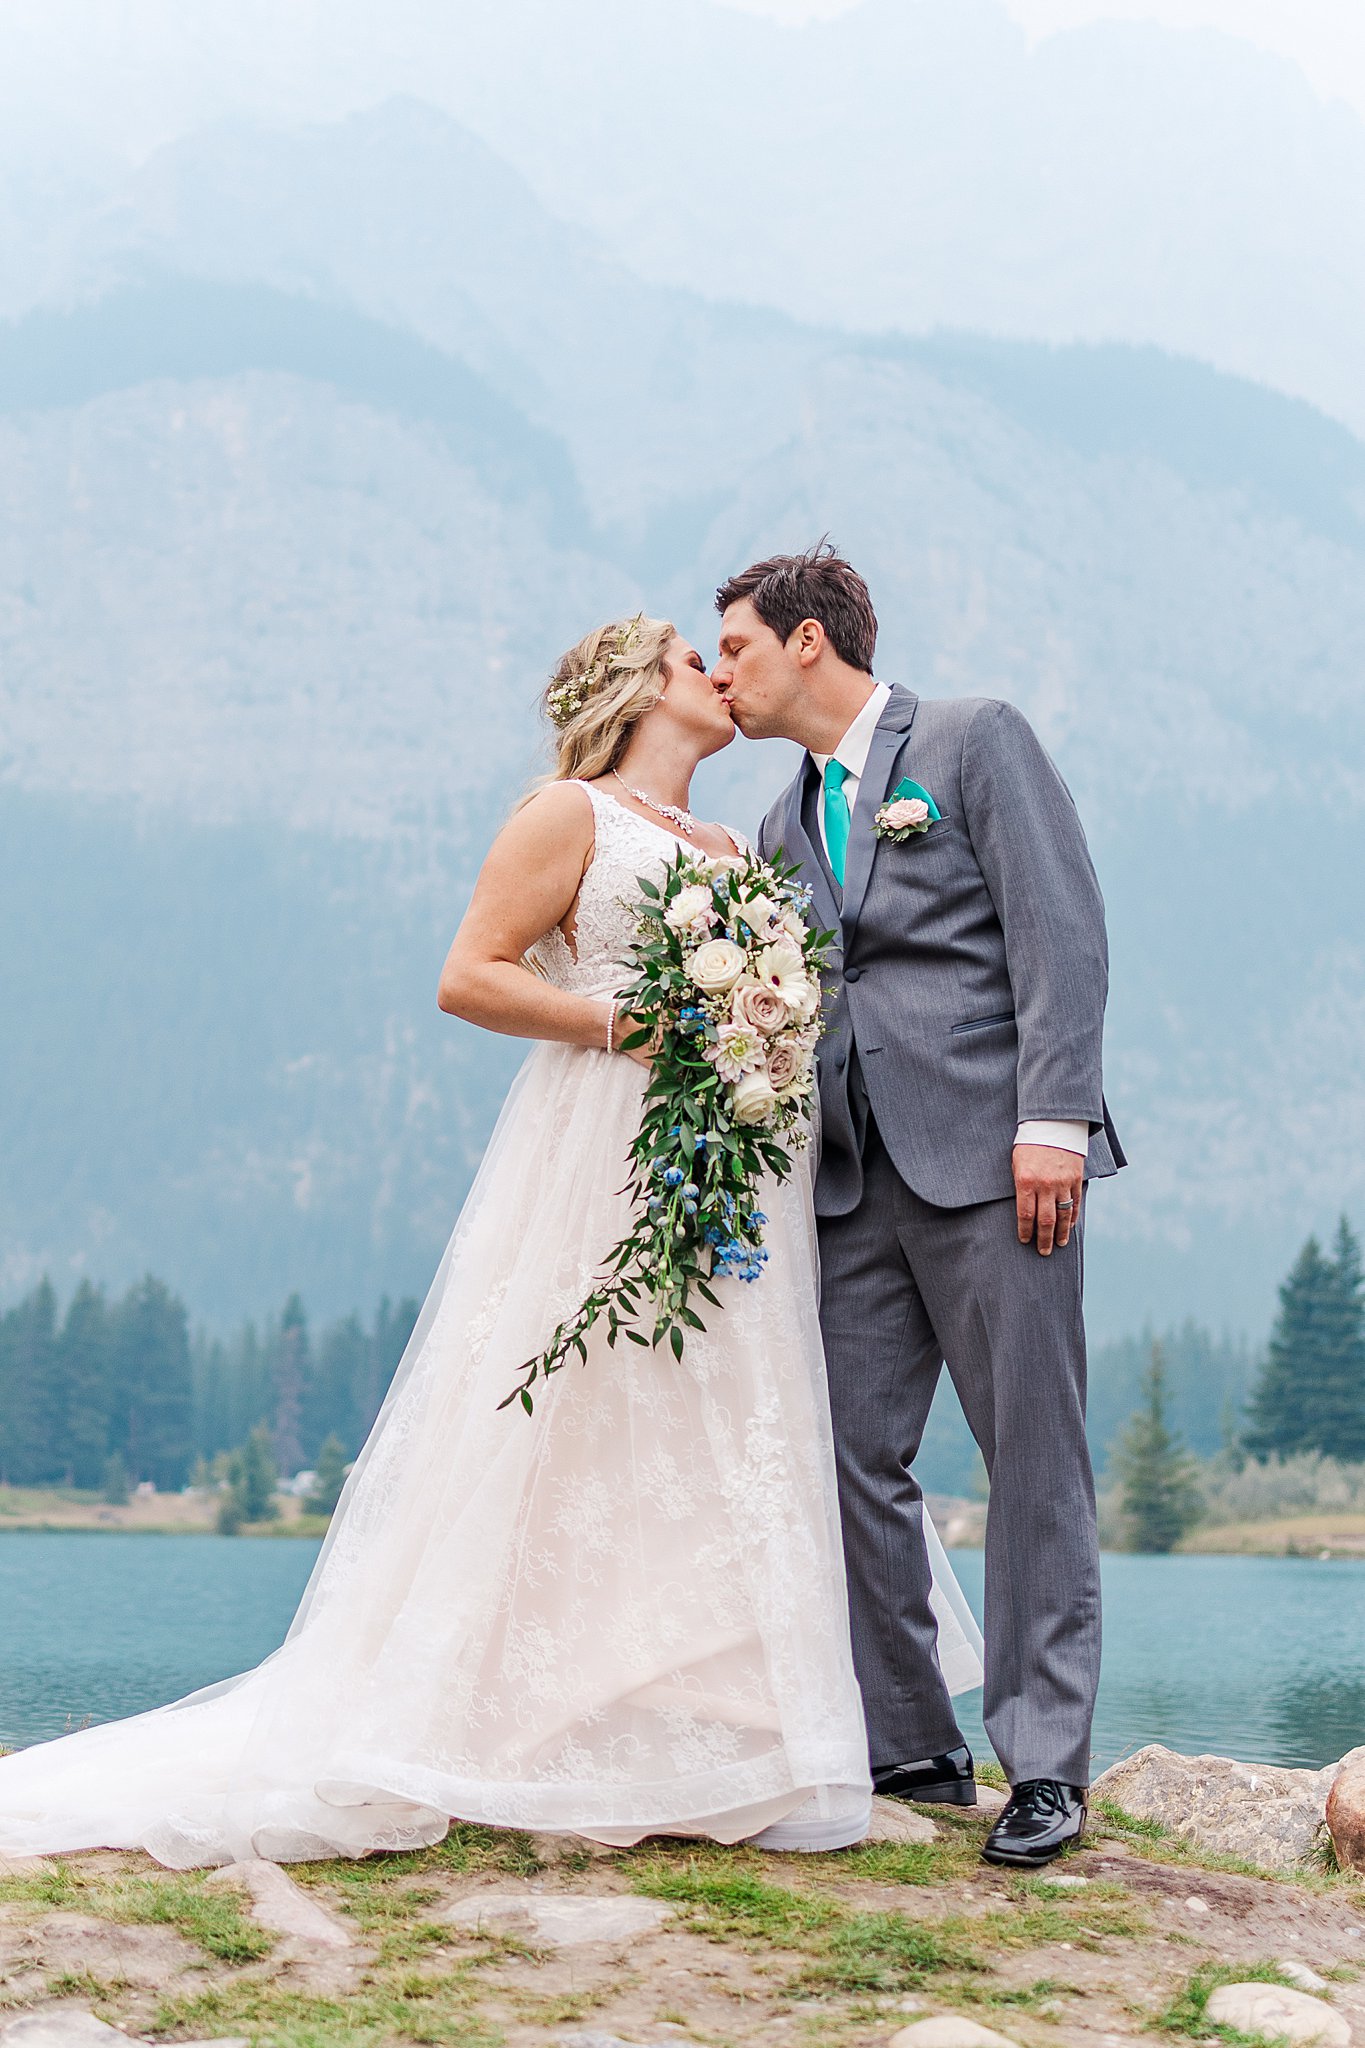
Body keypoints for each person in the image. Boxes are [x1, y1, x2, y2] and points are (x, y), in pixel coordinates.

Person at [0, 613, 982, 1868]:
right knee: (577, 1402)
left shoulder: (736, 843)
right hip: (602, 1139)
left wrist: (759, 1030)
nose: (720, 675)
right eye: (697, 660)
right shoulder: (569, 813)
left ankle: (702, 1729)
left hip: (733, 1162)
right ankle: (509, 1717)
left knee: (715, 1419)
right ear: (640, 687)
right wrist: (627, 1023)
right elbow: (470, 973)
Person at [713, 546, 1124, 1869]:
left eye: (737, 649)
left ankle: (1044, 1768)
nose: (722, 675)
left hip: (999, 1169)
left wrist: (1051, 1122)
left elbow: (1057, 928)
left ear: (808, 646)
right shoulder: (780, 824)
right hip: (846, 1190)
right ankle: (911, 1748)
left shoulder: (973, 741)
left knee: (1034, 1463)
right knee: (843, 1458)